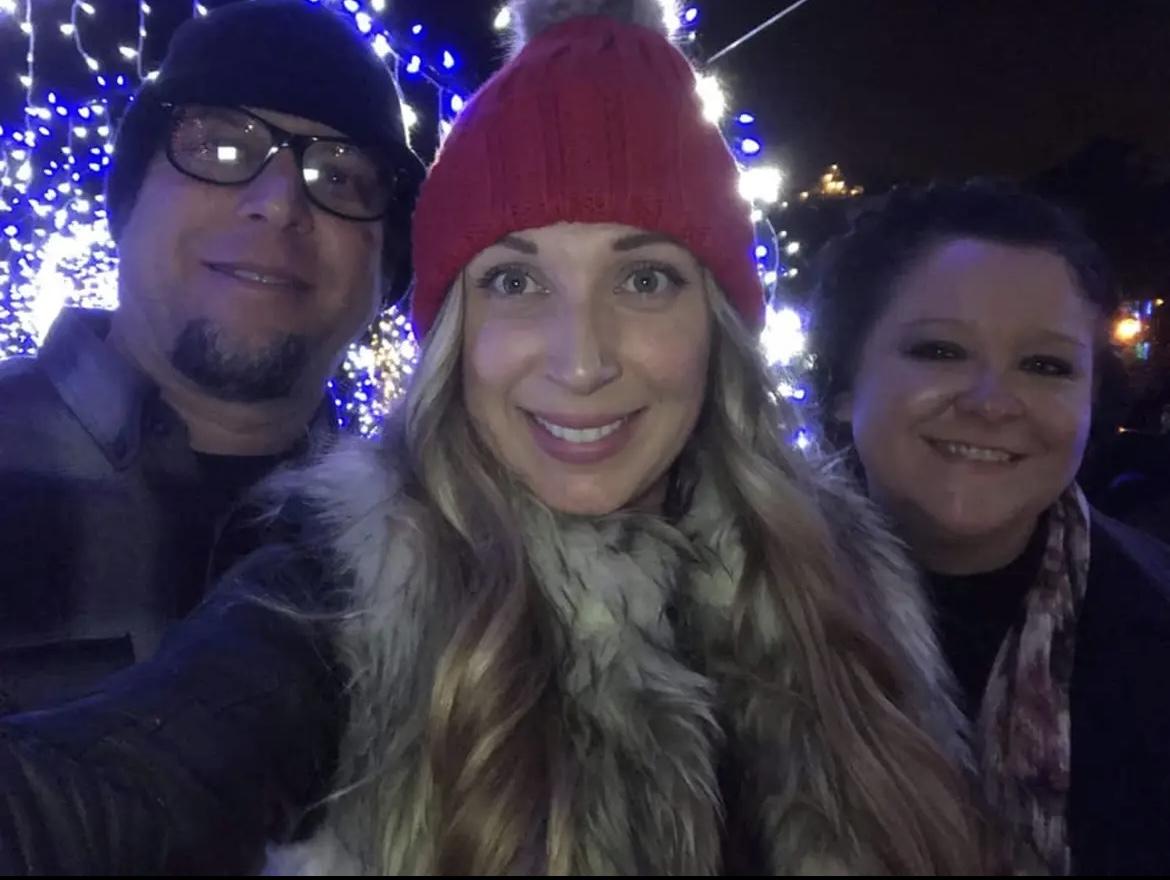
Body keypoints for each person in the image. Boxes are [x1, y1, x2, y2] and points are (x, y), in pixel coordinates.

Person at [0, 0, 988, 873]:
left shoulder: (851, 582)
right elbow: (111, 789)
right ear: (456, 340)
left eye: (645, 278)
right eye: (515, 280)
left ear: (717, 325)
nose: (582, 359)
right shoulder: (353, 576)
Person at [0, 0, 423, 713]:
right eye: (220, 149)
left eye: (341, 177)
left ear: (386, 275)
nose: (279, 203)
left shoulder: (438, 550)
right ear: (127, 201)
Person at [809, 179, 1170, 875]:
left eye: (1045, 365)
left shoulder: (1153, 620)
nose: (992, 403)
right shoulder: (712, 620)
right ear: (845, 384)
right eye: (940, 351)